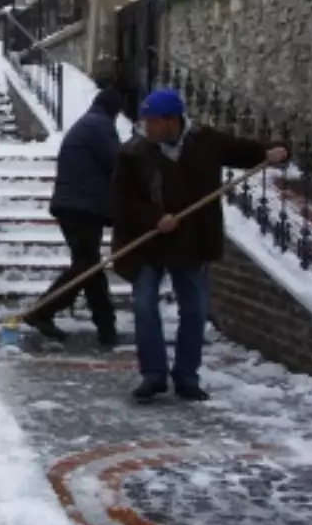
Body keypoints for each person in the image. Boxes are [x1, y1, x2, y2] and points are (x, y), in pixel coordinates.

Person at [111, 88, 287, 404]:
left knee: (194, 311)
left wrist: (275, 151)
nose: (146, 129)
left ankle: (186, 376)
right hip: (147, 244)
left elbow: (247, 152)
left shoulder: (207, 142)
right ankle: (153, 375)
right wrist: (155, 217)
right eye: (144, 123)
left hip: (192, 243)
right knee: (144, 307)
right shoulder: (133, 153)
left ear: (172, 121)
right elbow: (122, 201)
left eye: (152, 123)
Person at [25, 88, 123, 348]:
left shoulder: (90, 122)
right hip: (82, 207)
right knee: (86, 267)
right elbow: (119, 162)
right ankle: (42, 311)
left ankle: (106, 328)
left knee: (89, 266)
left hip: (77, 205)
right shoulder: (98, 125)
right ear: (114, 110)